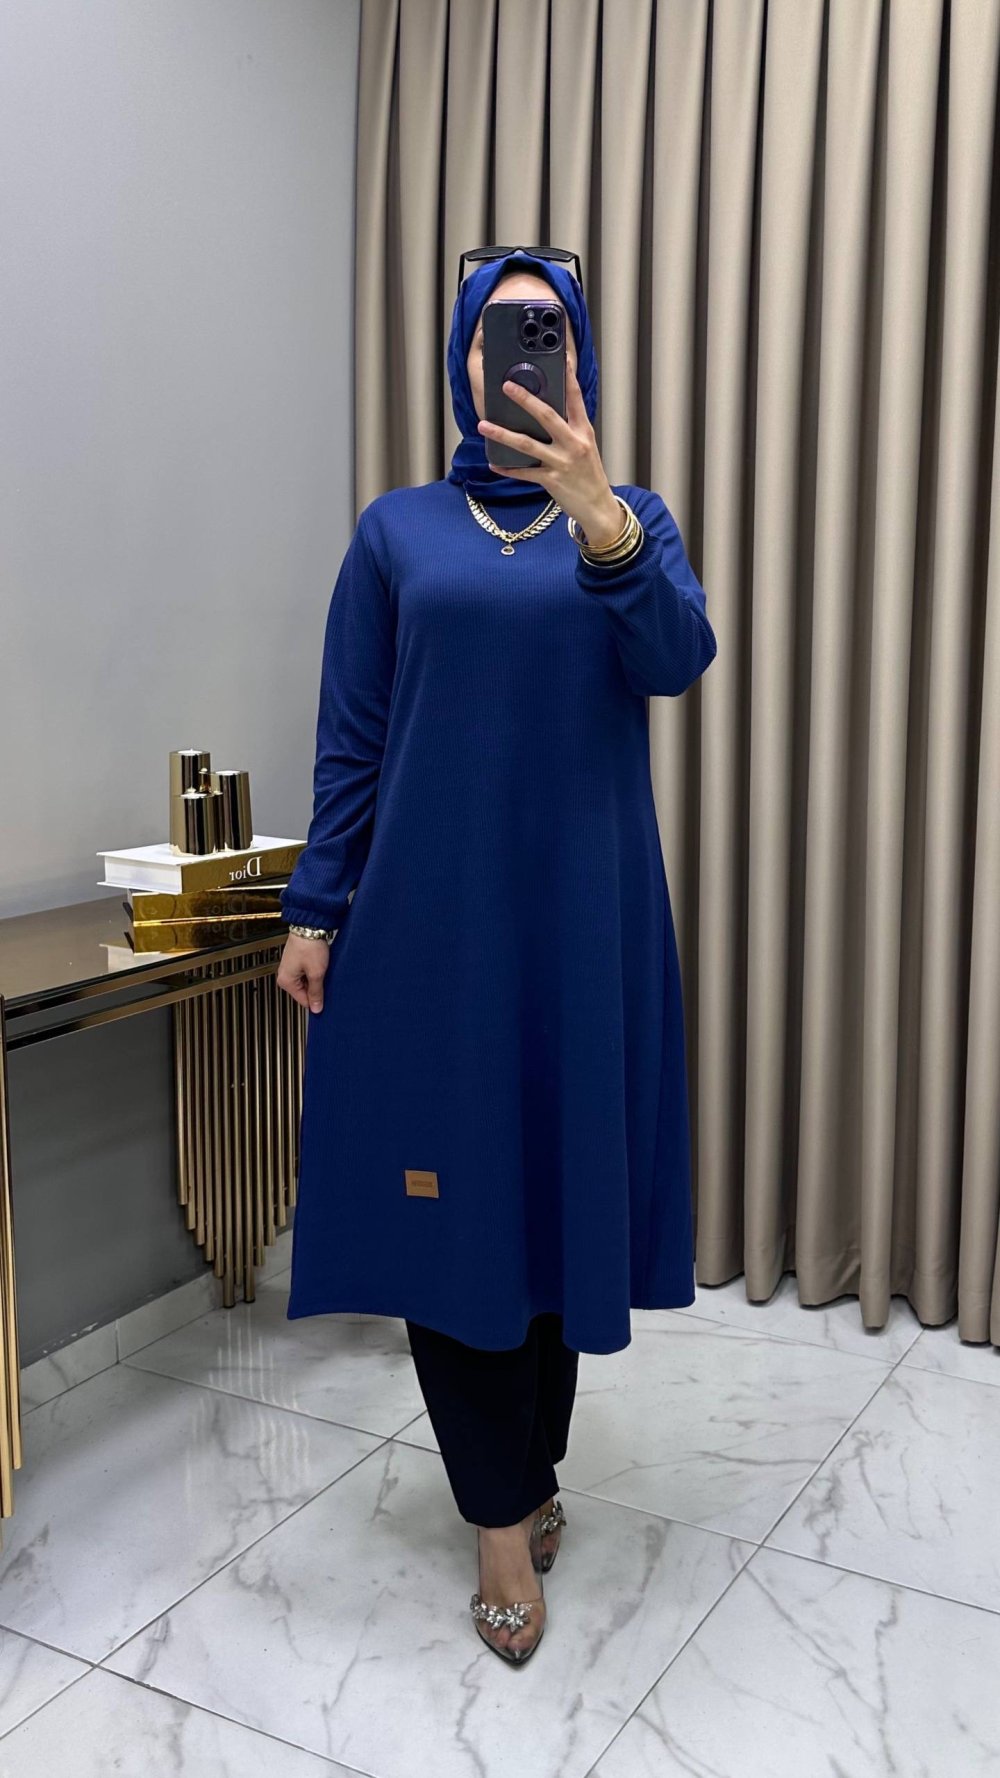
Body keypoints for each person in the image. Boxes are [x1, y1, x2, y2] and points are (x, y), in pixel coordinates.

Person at [276, 247, 718, 1664]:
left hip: (583, 927)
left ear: (576, 360)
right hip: (429, 933)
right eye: (498, 331)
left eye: (547, 330)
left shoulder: (628, 519)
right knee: (453, 1213)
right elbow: (354, 733)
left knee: (555, 1205)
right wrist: (314, 905)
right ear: (464, 359)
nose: (521, 354)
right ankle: (496, 1518)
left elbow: (677, 659)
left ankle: (529, 1468)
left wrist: (601, 518)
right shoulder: (397, 531)